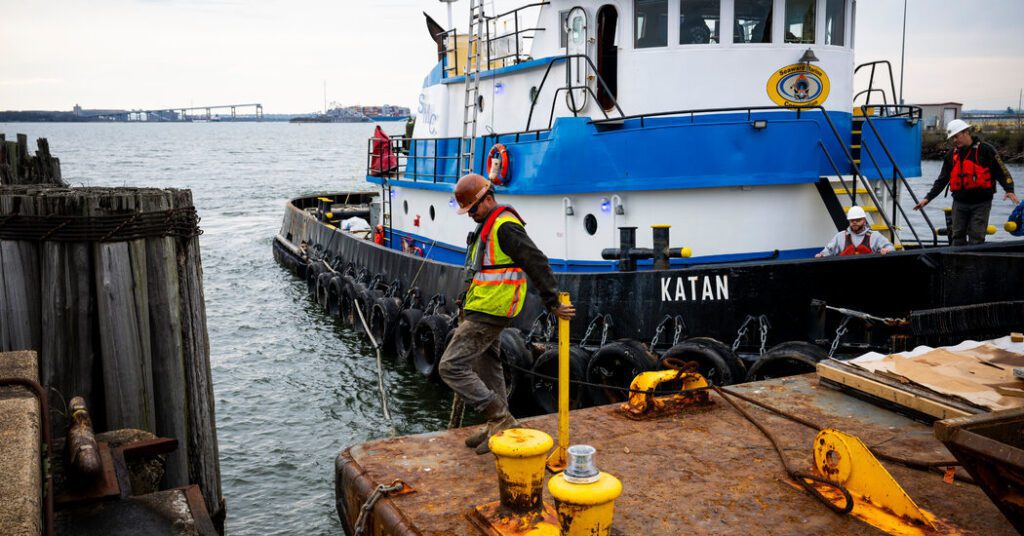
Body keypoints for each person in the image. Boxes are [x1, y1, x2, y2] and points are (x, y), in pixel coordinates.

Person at [440, 173, 576, 455]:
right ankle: (496, 425)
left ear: (488, 199)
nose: (470, 215)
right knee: (489, 365)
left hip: (491, 310)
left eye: (473, 209)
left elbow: (536, 261)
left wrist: (552, 302)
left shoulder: (505, 226)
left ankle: (500, 418)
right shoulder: (489, 224)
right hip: (483, 306)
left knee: (450, 366)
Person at [913, 119, 1018, 245]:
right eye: (952, 138)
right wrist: (927, 198)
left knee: (977, 236)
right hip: (959, 203)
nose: (954, 141)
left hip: (981, 203)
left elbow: (1001, 171)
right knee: (957, 236)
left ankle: (975, 263)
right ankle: (955, 263)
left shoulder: (986, 150)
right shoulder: (951, 155)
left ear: (966, 132)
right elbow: (942, 180)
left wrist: (1009, 189)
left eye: (956, 137)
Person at [815, 206, 895, 257]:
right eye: (852, 220)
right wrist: (822, 255)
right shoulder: (840, 237)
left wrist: (886, 250)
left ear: (864, 220)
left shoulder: (875, 236)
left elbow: (891, 248)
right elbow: (828, 251)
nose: (854, 222)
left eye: (858, 220)